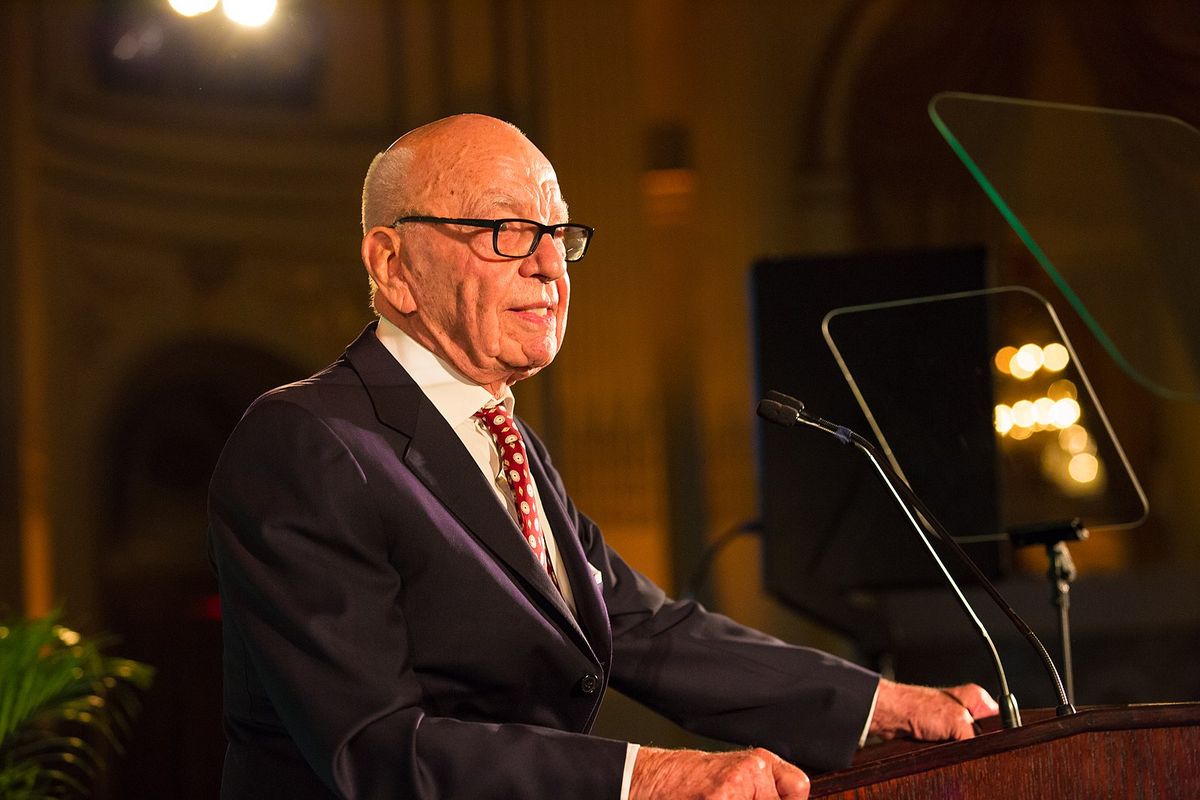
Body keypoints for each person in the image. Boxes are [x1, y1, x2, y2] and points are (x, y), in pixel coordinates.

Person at [208, 113, 998, 800]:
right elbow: (372, 751)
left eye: (558, 235)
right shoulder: (307, 442)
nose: (550, 265)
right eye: (505, 231)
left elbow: (645, 630)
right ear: (392, 266)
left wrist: (883, 705)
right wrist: (650, 778)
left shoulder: (502, 441)